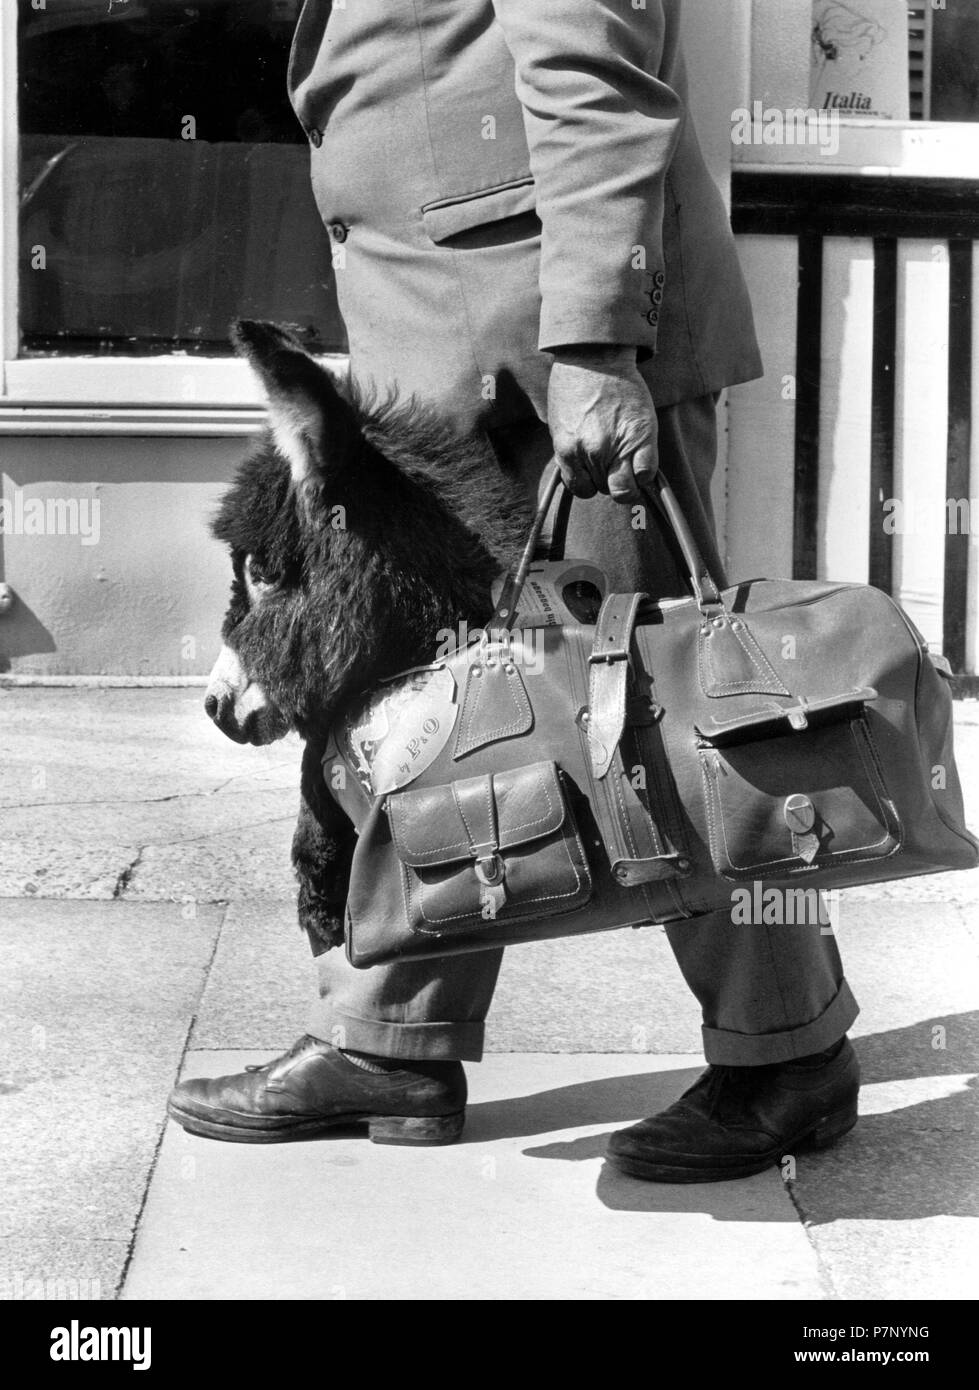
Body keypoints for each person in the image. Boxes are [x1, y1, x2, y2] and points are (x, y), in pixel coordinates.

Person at [169, 0, 860, 1182]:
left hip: (554, 359)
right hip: (448, 364)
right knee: (438, 729)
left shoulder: (579, 353)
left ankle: (786, 1052)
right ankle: (389, 1035)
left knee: (658, 717)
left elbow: (594, 65)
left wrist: (592, 345)